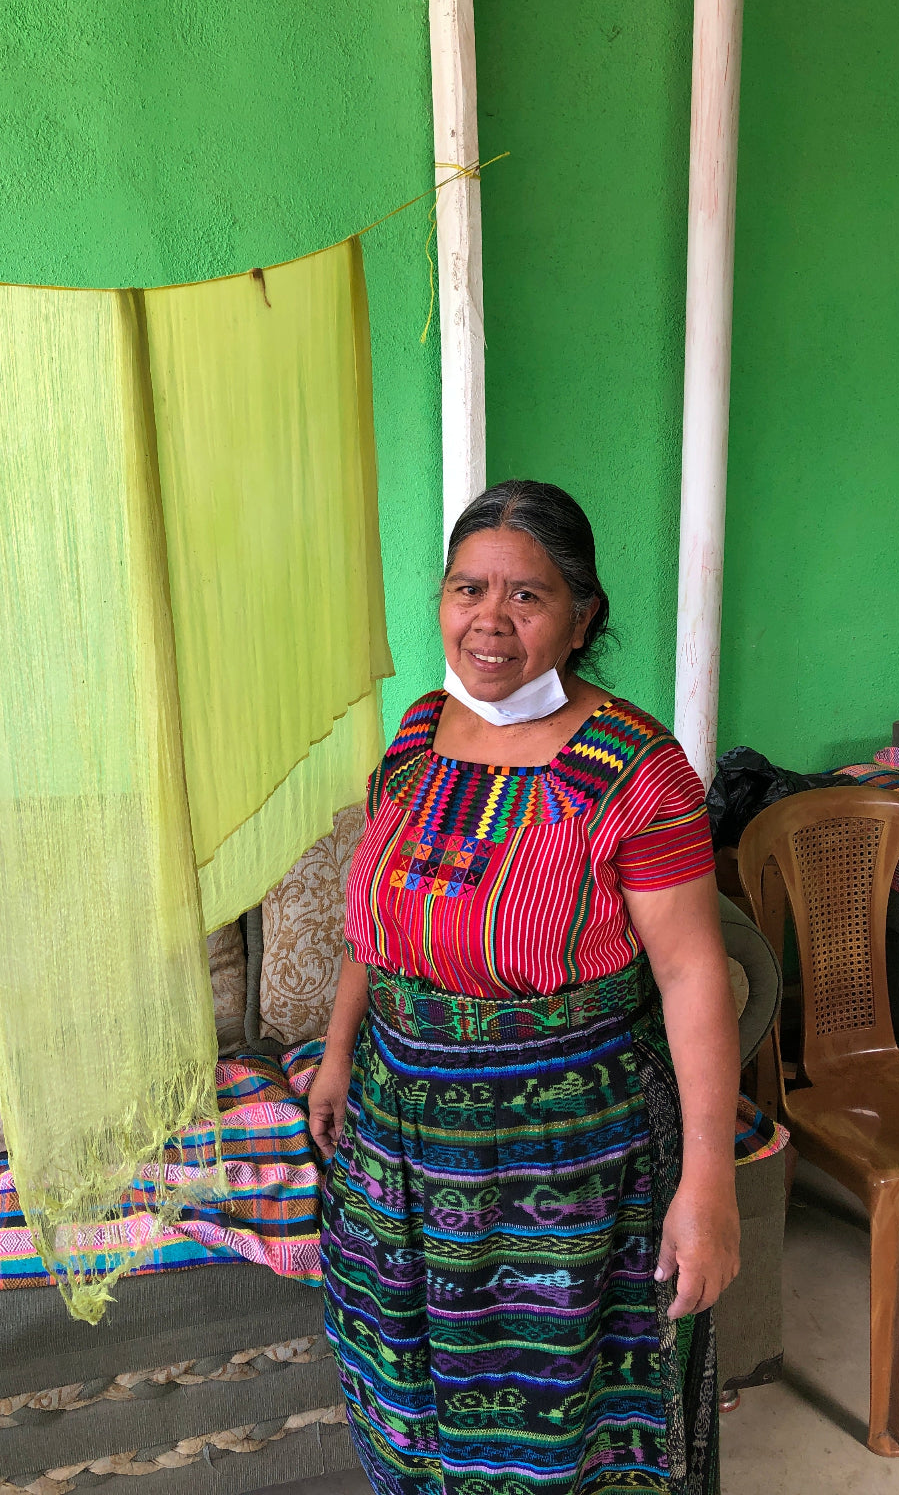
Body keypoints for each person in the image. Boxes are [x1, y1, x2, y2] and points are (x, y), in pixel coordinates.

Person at [310, 480, 740, 1495]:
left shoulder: (635, 769)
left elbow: (692, 974)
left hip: (564, 1158)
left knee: (560, 1420)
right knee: (408, 1394)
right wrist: (337, 1054)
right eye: (468, 589)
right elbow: (375, 928)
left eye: (526, 595)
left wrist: (710, 1185)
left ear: (581, 617)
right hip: (397, 1141)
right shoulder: (418, 736)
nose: (489, 620)